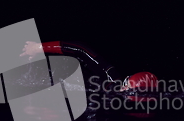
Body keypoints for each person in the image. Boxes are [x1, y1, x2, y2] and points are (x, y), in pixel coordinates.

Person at [20, 40, 159, 93]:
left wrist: (39, 47)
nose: (121, 88)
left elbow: (81, 50)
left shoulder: (113, 86)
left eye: (125, 85)